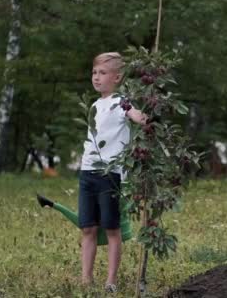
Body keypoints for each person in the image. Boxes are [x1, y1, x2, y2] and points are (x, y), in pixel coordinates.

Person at [79, 52, 147, 292]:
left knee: (111, 228)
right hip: (88, 172)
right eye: (94, 73)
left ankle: (111, 280)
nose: (97, 78)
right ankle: (86, 279)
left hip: (111, 175)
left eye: (103, 73)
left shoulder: (121, 101)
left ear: (117, 77)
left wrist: (140, 116)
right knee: (87, 227)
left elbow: (133, 113)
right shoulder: (95, 105)